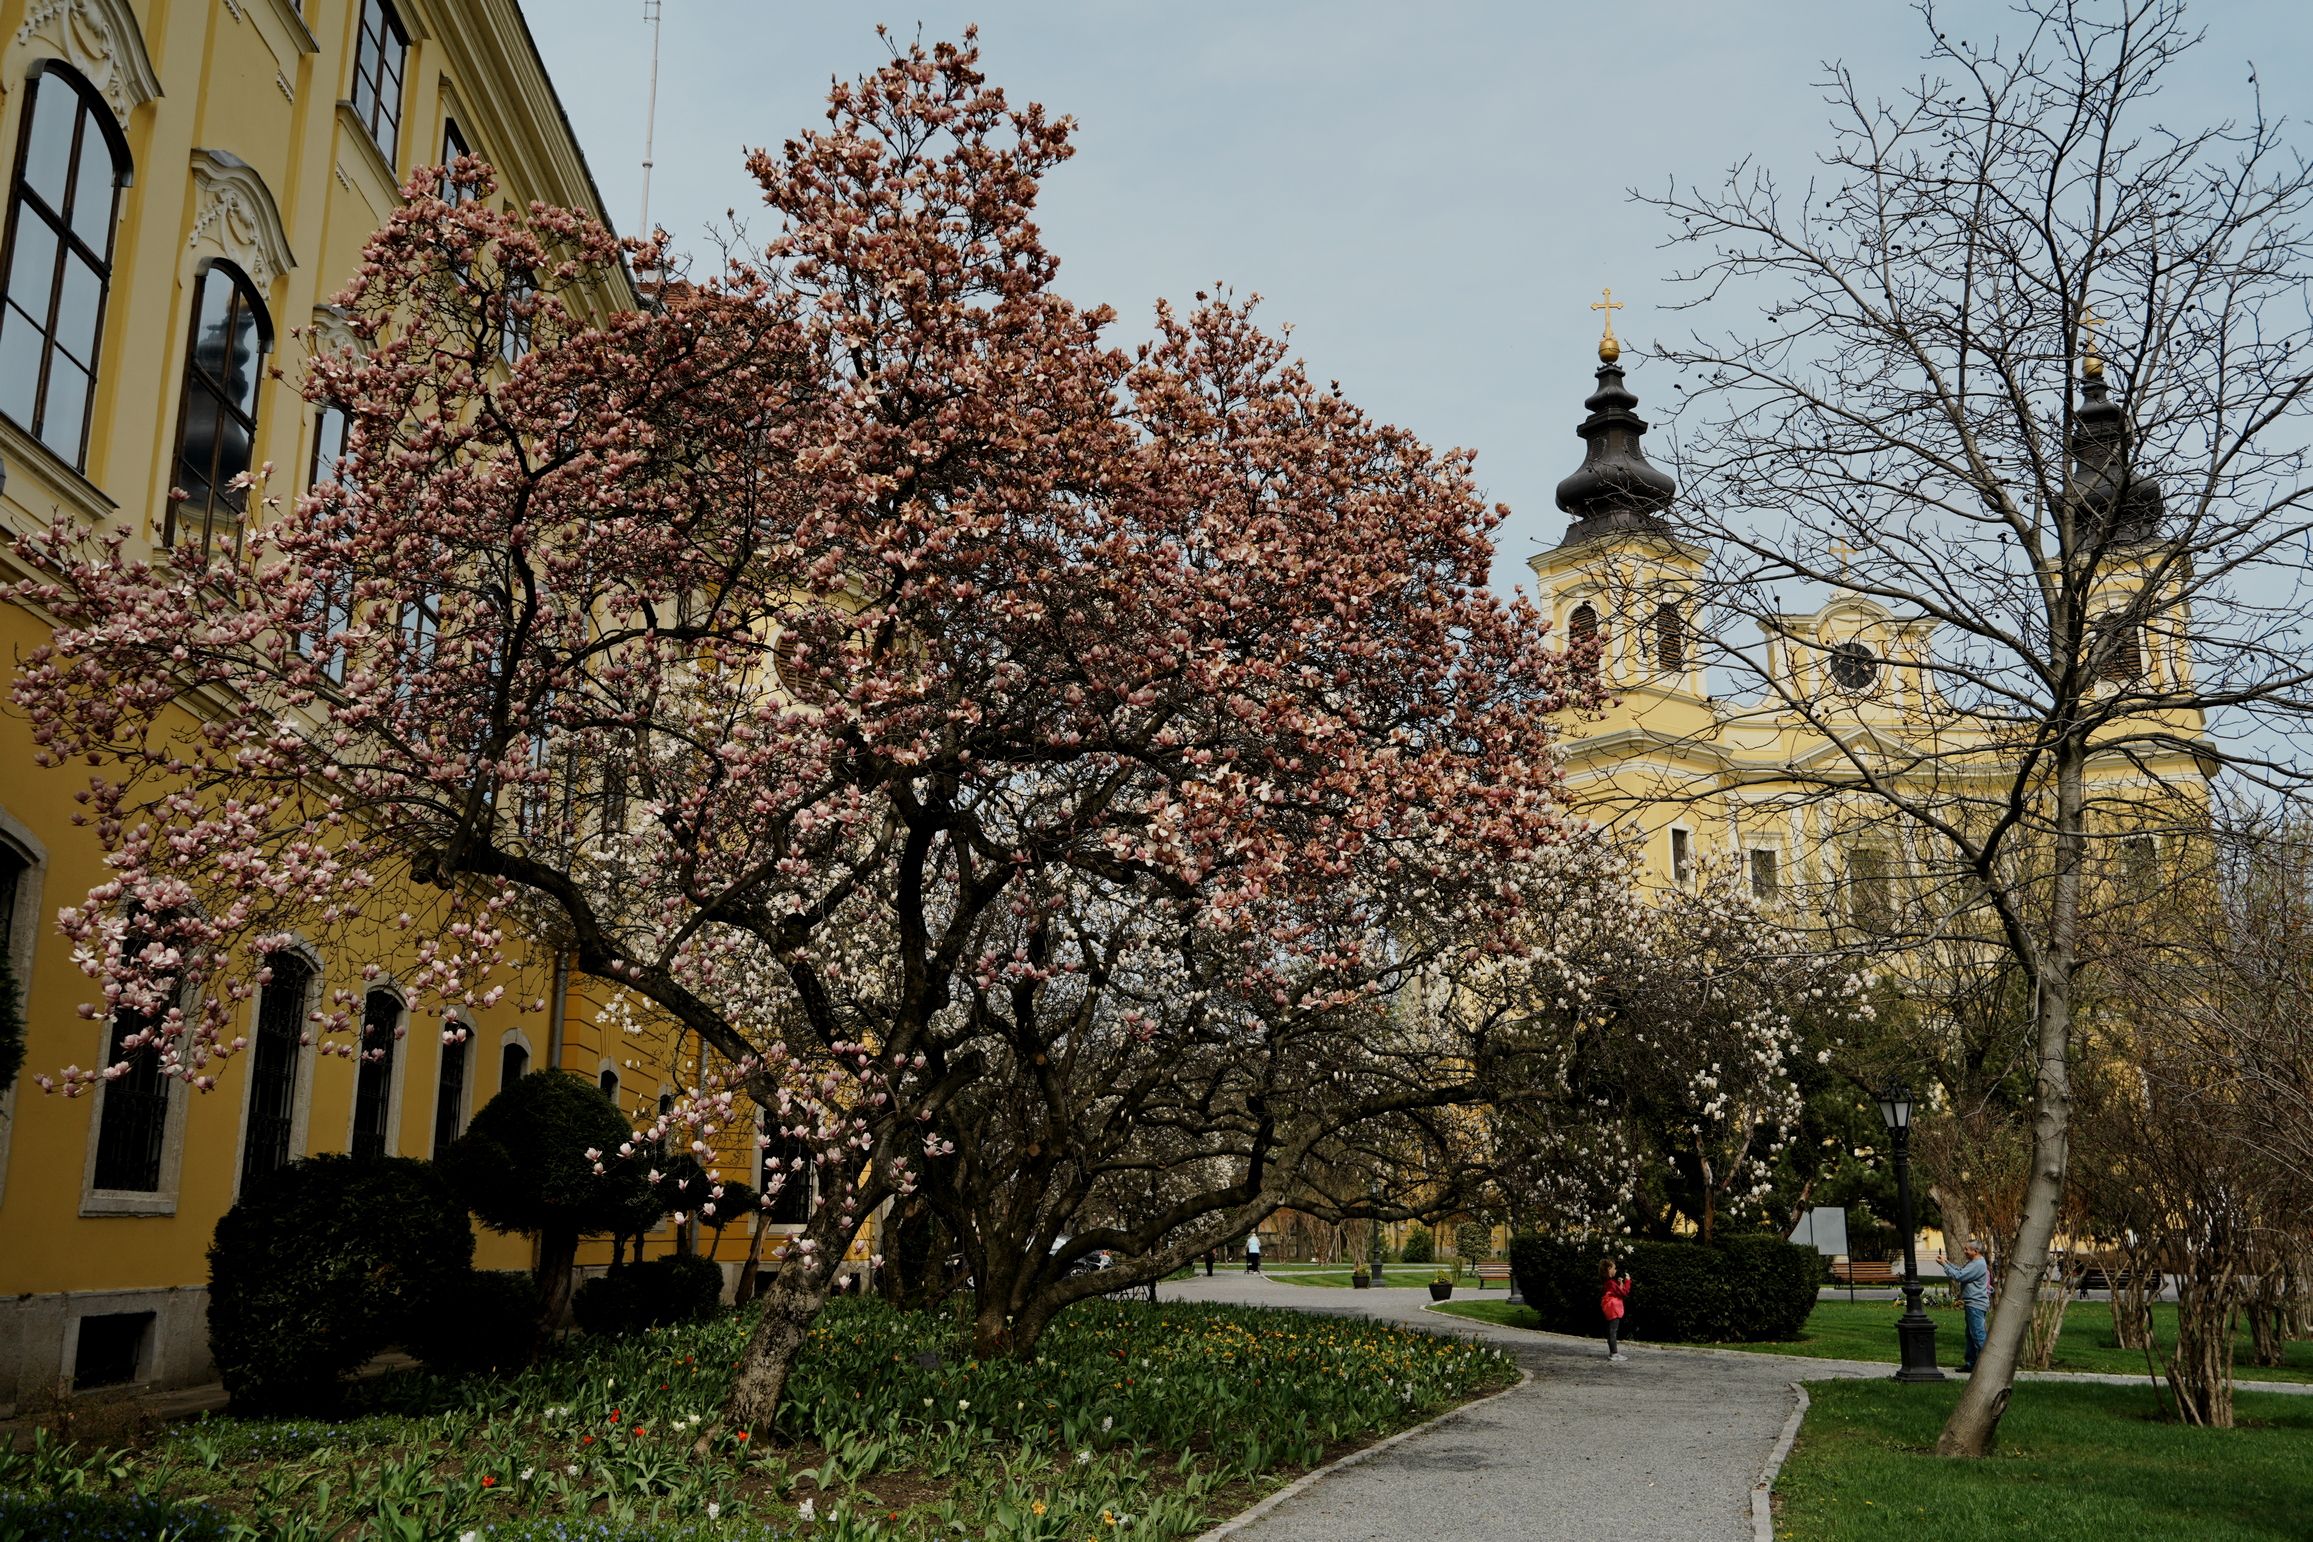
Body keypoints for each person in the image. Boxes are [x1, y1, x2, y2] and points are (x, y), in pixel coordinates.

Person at [1936, 1238, 1992, 1371]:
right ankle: (1971, 1364)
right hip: (1972, 1304)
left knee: (1978, 1335)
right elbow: (1961, 1270)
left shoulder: (1978, 1264)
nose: (1964, 1251)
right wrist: (1947, 1263)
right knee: (1970, 1335)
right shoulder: (1974, 1262)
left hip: (1976, 1305)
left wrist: (1944, 1265)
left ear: (1975, 1251)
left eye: (1967, 1249)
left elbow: (1959, 1276)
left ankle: (1988, 1367)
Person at [1599, 1255, 1633, 1362]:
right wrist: (1627, 1281)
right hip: (1614, 1309)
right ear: (1609, 1269)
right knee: (1613, 1331)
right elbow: (1624, 1293)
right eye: (1614, 1268)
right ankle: (1614, 1353)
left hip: (1609, 1309)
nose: (1615, 1270)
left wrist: (1620, 1284)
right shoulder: (1611, 1283)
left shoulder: (1608, 1283)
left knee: (1611, 1331)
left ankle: (1612, 1352)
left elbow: (1617, 1292)